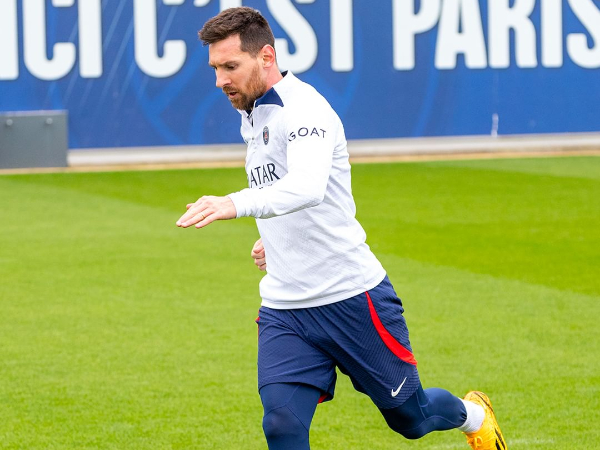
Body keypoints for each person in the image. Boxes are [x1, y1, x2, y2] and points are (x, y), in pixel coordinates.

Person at [176, 7, 507, 450]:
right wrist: (277, 238)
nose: (220, 81)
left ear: (267, 56)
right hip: (286, 308)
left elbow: (308, 186)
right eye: (215, 69)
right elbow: (285, 190)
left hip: (351, 297)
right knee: (282, 424)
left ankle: (474, 416)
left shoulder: (306, 109)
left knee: (412, 419)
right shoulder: (252, 111)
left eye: (230, 66)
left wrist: (233, 203)